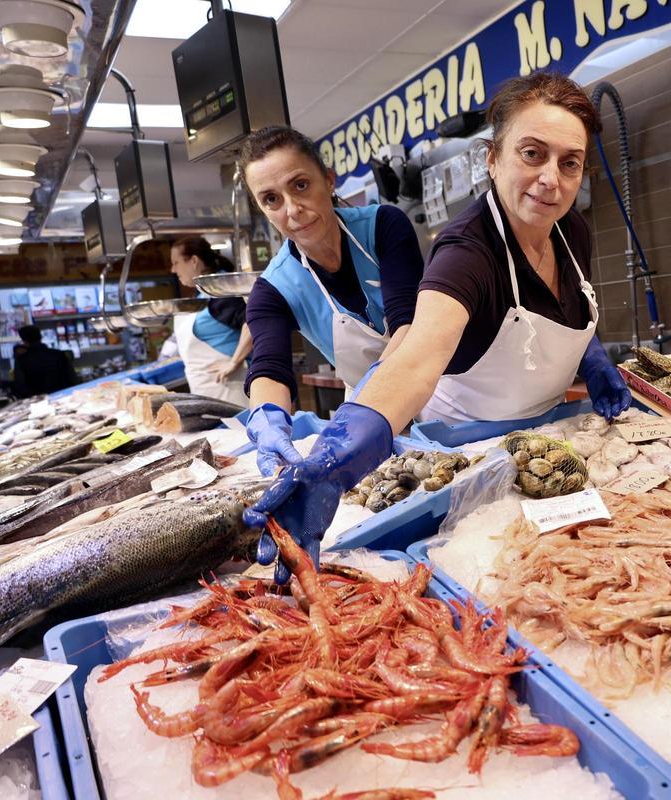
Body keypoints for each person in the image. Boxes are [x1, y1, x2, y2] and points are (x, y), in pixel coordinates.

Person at [245, 72, 631, 581]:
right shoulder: (465, 252)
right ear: (492, 158)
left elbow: (564, 308)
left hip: (547, 440)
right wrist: (335, 463)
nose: (550, 179)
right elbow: (415, 354)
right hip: (469, 454)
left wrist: (593, 356)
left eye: (570, 163)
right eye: (532, 154)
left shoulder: (570, 228)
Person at [238, 125, 424, 477]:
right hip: (370, 423)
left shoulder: (384, 226)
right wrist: (266, 418)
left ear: (328, 180)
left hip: (440, 394)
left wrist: (367, 402)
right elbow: (268, 367)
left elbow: (409, 324)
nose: (292, 210)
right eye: (271, 199)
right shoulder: (272, 290)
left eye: (301, 185)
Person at [169, 237, 253, 406]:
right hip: (212, 392)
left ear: (193, 261)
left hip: (232, 391)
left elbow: (253, 321)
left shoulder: (220, 291)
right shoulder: (204, 294)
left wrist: (234, 362)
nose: (173, 269)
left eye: (176, 262)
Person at [12, 325, 76, 397]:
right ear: (40, 337)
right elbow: (72, 379)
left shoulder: (22, 360)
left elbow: (20, 385)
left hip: (38, 402)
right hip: (63, 397)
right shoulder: (59, 355)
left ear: (24, 340)